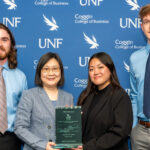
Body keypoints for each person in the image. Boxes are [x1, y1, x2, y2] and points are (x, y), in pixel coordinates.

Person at [14, 52, 74, 150]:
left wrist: (74, 124)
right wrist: (43, 145)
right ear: (40, 72)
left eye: (55, 69)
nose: (51, 73)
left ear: (61, 72)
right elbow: (19, 128)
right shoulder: (29, 95)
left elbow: (68, 133)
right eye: (46, 69)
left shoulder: (68, 97)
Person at [76, 52, 133, 150]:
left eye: (100, 67)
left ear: (110, 69)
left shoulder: (120, 96)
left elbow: (119, 132)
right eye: (91, 69)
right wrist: (69, 117)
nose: (96, 72)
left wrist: (88, 147)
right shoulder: (85, 95)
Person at [0, 23, 28, 150]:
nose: (0, 44)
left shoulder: (20, 77)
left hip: (10, 141)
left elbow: (25, 114)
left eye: (4, 40)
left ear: (11, 44)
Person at [129, 4, 150, 150]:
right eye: (147, 21)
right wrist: (133, 127)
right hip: (140, 132)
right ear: (142, 26)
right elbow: (135, 94)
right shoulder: (135, 58)